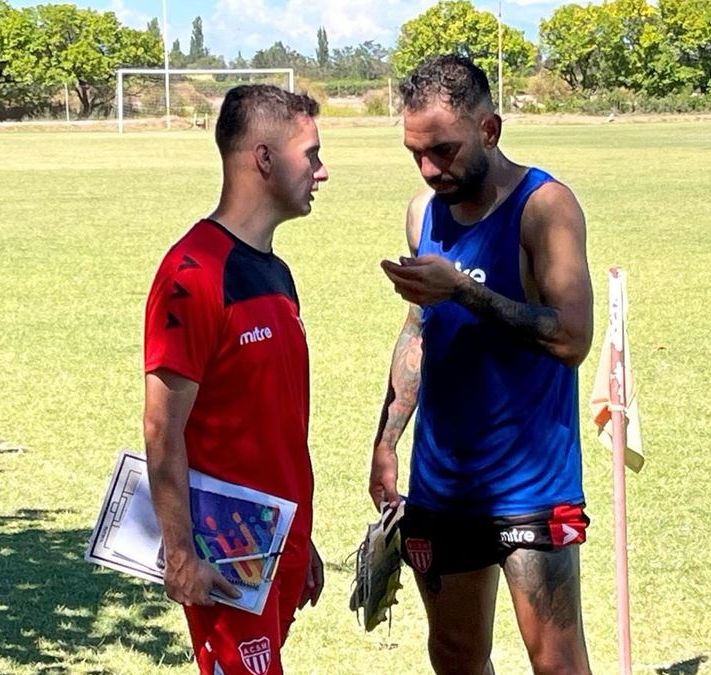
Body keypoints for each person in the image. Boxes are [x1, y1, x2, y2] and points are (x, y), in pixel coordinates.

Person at [369, 55, 595, 675]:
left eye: (442, 150)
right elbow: (419, 328)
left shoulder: (545, 207)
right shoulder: (422, 213)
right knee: (455, 657)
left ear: (489, 129)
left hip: (531, 487)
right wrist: (387, 441)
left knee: (556, 662)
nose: (429, 168)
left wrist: (463, 289)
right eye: (416, 152)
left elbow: (572, 337)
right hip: (443, 486)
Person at [143, 84, 328, 675]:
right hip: (224, 550)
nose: (322, 172)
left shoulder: (276, 273)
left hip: (280, 543)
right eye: (312, 155)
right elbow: (160, 426)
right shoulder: (192, 274)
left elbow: (273, 422)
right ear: (265, 158)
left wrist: (302, 533)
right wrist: (180, 552)